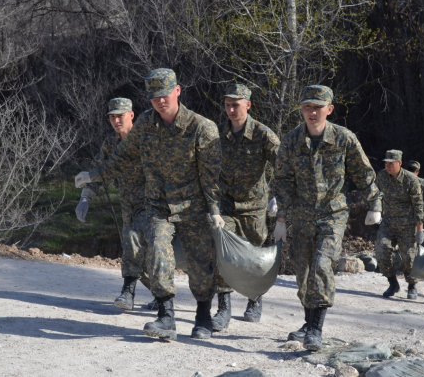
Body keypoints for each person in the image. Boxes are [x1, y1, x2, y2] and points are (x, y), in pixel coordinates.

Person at [75, 68, 224, 341]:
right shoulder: (145, 124)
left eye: (165, 94)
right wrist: (95, 176)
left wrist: (214, 210)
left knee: (201, 264)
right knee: (157, 253)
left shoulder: (201, 127)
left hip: (193, 206)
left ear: (177, 90)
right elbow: (123, 157)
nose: (160, 101)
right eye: (154, 96)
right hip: (157, 205)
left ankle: (203, 315)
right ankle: (166, 316)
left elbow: (210, 176)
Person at [274, 85, 382, 351]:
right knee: (303, 272)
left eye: (317, 107)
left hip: (333, 214)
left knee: (322, 265)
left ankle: (315, 329)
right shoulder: (291, 141)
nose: (312, 112)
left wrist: (375, 205)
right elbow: (283, 181)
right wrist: (281, 218)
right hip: (301, 217)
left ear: (329, 109)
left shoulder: (344, 139)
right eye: (307, 107)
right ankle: (308, 321)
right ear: (301, 109)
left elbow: (364, 174)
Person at [75, 98, 156, 311]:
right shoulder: (111, 143)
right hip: (128, 205)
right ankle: (160, 294)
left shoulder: (146, 141)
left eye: (120, 115)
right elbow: (99, 170)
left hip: (151, 204)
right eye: (112, 117)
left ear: (132, 115)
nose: (116, 120)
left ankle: (128, 292)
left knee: (136, 244)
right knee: (137, 250)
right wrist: (86, 197)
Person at [211, 83, 280, 331]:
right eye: (227, 105)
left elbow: (284, 167)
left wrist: (279, 196)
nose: (230, 109)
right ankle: (223, 306)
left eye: (235, 104)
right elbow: (206, 168)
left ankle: (254, 299)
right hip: (227, 204)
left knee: (254, 256)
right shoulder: (217, 134)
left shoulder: (263, 135)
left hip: (254, 206)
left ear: (248, 105)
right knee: (223, 250)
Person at [374, 150, 424, 300]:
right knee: (381, 250)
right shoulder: (382, 176)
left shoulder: (411, 180)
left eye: (391, 163)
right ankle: (392, 283)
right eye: (386, 163)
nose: (388, 166)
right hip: (388, 223)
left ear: (400, 163)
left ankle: (412, 285)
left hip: (407, 225)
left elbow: (418, 205)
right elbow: (375, 194)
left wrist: (420, 229)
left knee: (408, 257)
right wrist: (374, 210)